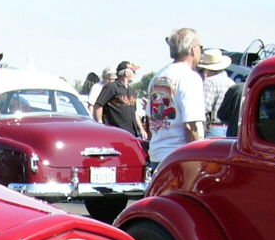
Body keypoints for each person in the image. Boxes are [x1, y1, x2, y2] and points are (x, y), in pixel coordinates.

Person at [147, 28, 206, 166]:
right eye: (201, 47)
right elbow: (191, 125)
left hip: (157, 154)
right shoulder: (190, 78)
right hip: (181, 156)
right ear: (193, 48)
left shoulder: (158, 76)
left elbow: (150, 120)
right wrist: (198, 159)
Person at [92, 61, 145, 137]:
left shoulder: (131, 91)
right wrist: (100, 123)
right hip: (115, 132)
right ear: (126, 73)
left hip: (131, 133)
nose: (135, 73)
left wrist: (141, 129)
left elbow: (135, 112)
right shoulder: (112, 87)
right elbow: (98, 105)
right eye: (133, 71)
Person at [198, 47, 234, 137]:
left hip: (214, 128)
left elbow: (203, 109)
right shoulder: (231, 83)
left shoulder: (210, 83)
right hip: (229, 128)